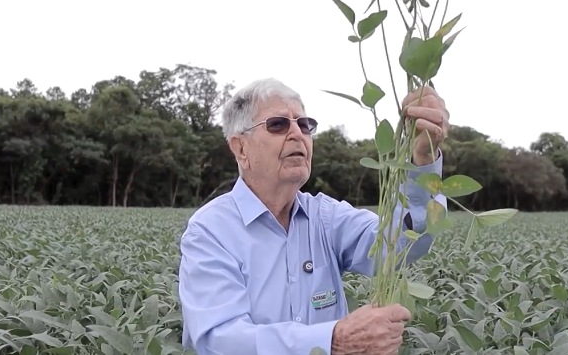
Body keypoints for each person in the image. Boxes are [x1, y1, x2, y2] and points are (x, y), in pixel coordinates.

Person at [178, 78, 450, 355]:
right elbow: (220, 340)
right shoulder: (211, 230)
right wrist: (330, 341)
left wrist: (422, 160)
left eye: (305, 124)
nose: (297, 133)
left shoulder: (326, 217)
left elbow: (401, 244)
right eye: (278, 124)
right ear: (240, 148)